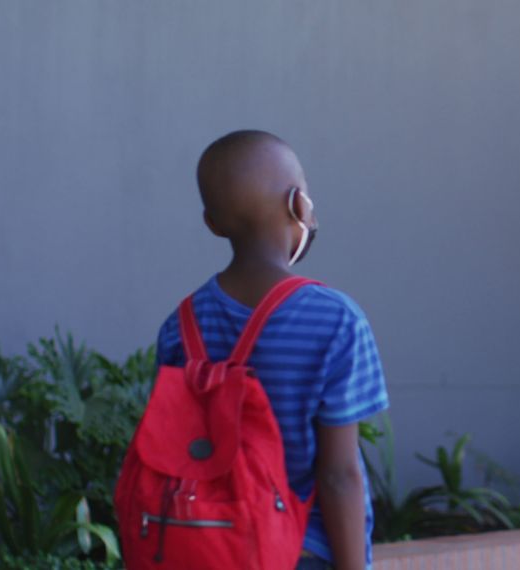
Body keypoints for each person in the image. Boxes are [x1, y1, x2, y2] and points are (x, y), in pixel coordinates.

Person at [154, 130, 388, 570]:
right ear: (299, 205)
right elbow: (339, 476)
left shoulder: (180, 327)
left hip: (205, 550)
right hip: (301, 550)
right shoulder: (336, 320)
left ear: (212, 222)